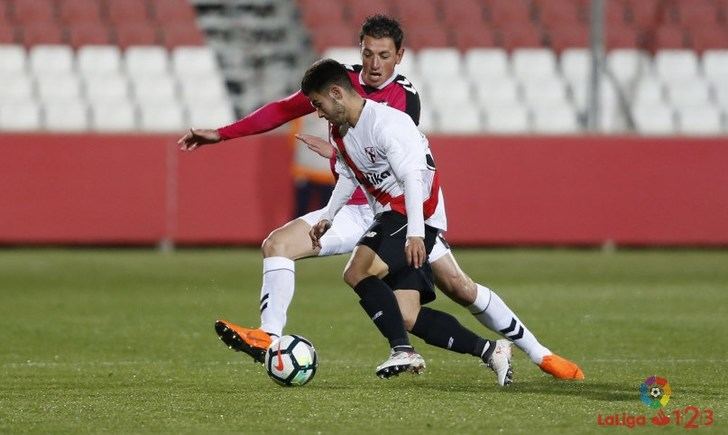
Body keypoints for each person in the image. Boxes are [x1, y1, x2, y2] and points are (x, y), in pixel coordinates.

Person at [177, 15, 584, 380]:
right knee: (278, 244)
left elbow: (402, 169)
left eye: (383, 56)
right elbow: (284, 111)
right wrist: (222, 133)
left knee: (458, 288)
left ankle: (540, 353)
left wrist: (413, 229)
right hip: (361, 207)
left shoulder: (401, 103)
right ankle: (269, 336)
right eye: (367, 53)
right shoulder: (339, 86)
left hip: (406, 209)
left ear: (399, 57)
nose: (373, 65)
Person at [301, 58, 512, 383]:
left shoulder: (386, 123)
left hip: (415, 213)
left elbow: (413, 177)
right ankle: (491, 351)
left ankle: (402, 350)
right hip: (395, 216)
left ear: (336, 93)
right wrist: (328, 216)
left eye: (318, 104)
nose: (318, 112)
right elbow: (348, 174)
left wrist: (415, 233)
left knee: (356, 271)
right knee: (406, 314)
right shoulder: (340, 131)